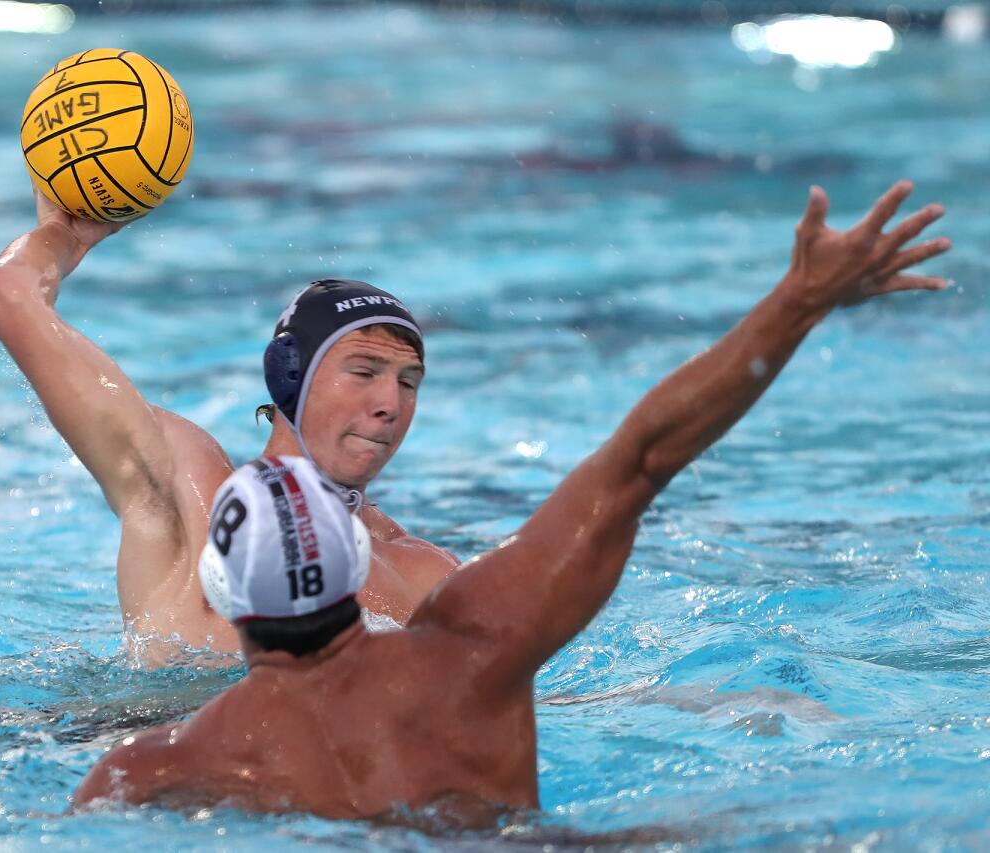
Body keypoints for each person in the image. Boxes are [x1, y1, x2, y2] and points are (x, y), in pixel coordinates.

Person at [71, 181, 950, 821]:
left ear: (225, 591)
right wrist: (798, 303)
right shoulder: (475, 654)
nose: (391, 401)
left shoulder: (160, 763)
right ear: (360, 560)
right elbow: (641, 457)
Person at [0, 194, 459, 664]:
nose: (390, 404)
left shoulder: (426, 575)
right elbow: (9, 295)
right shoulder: (186, 489)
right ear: (289, 373)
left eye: (408, 382)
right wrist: (65, 234)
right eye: (363, 372)